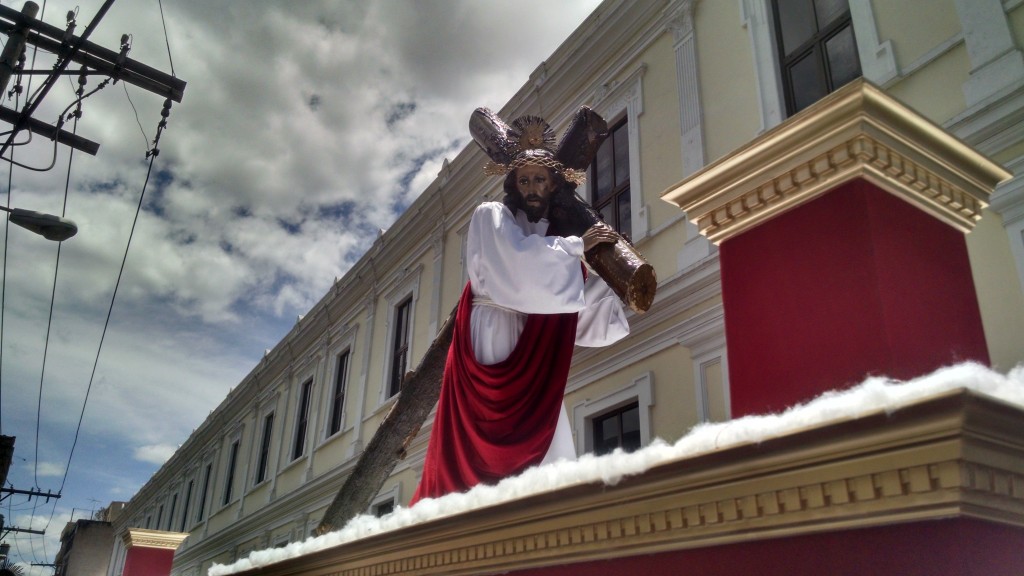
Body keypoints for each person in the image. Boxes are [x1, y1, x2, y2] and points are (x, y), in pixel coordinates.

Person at [411, 114, 630, 503]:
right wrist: (580, 247)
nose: (532, 187)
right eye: (524, 179)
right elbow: (514, 268)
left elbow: (569, 309)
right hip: (494, 328)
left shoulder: (560, 237)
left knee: (551, 440)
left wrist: (615, 291)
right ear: (512, 184)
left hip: (536, 343)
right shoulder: (490, 216)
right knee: (491, 439)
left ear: (553, 185)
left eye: (540, 180)